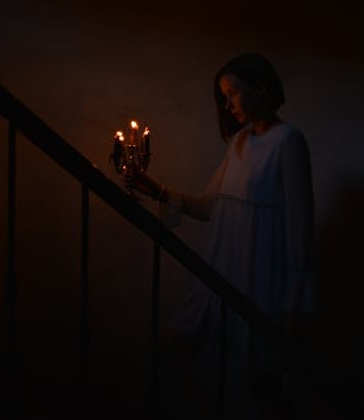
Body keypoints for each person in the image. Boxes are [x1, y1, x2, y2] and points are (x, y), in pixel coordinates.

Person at [126, 52, 317, 419]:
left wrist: (296, 304)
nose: (227, 104)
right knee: (172, 350)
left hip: (260, 284)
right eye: (223, 96)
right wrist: (158, 191)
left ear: (260, 88)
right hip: (221, 276)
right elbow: (211, 206)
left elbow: (300, 231)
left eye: (233, 93)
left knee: (264, 387)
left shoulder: (288, 141)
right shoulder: (240, 142)